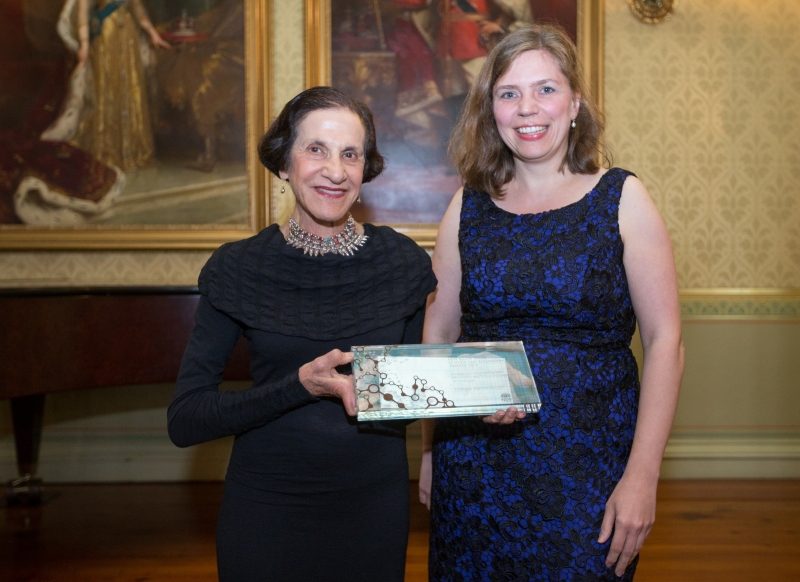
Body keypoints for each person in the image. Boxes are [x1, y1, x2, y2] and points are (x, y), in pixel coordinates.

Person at [418, 23, 684, 580]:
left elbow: (665, 342)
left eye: (545, 89)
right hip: (474, 466)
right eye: (508, 93)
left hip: (590, 468)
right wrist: (427, 452)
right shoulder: (465, 207)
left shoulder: (622, 198)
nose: (526, 108)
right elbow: (438, 337)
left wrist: (643, 475)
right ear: (491, 109)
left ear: (575, 103)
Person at [167, 86, 436, 581]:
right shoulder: (239, 267)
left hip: (372, 510)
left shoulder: (403, 264)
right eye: (316, 149)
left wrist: (489, 399)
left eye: (350, 154)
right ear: (284, 163)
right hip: (266, 510)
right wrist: (299, 386)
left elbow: (421, 390)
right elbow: (186, 420)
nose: (335, 171)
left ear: (365, 170)